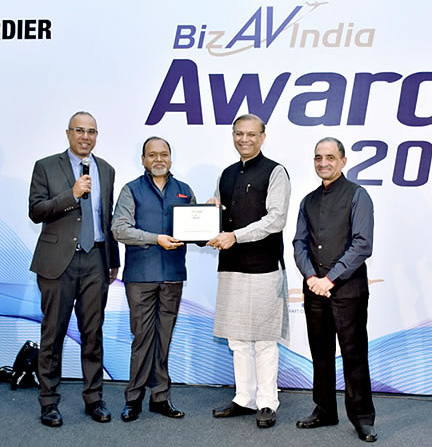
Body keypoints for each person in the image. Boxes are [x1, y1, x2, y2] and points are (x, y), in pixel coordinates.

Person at [29, 111, 120, 427]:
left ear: (97, 136)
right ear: (68, 133)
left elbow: (106, 217)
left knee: (93, 333)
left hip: (96, 260)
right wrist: (72, 194)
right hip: (58, 263)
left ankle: (94, 399)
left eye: (91, 131)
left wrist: (113, 259)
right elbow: (36, 211)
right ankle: (48, 402)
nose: (85, 136)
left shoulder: (106, 169)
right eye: (79, 130)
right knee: (53, 334)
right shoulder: (45, 166)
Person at [207, 114, 291, 428]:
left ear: (263, 137)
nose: (245, 139)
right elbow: (220, 217)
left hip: (264, 266)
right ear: (233, 135)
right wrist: (209, 216)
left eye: (251, 134)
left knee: (265, 340)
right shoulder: (226, 174)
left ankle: (267, 402)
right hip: (231, 266)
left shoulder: (276, 171)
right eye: (239, 133)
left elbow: (276, 219)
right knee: (238, 339)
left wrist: (236, 236)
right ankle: (245, 399)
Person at [293, 137, 377, 442]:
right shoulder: (308, 201)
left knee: (354, 355)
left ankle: (362, 418)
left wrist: (329, 279)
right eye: (318, 157)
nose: (323, 163)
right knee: (321, 354)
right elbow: (299, 243)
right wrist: (310, 277)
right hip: (314, 290)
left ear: (343, 161)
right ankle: (325, 410)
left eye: (330, 157)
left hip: (348, 290)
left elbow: (362, 244)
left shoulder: (358, 195)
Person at [111, 136, 195, 422]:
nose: (159, 159)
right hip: (141, 277)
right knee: (142, 338)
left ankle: (160, 397)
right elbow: (119, 229)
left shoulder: (184, 191)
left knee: (164, 338)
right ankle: (133, 398)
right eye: (152, 155)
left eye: (164, 154)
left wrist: (211, 218)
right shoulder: (131, 190)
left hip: (172, 276)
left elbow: (198, 233)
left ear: (170, 157)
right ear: (143, 160)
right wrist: (155, 238)